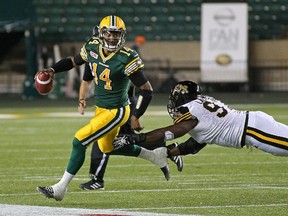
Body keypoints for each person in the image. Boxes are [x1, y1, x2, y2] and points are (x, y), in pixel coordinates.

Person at [36, 15, 170, 201]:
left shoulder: (127, 57)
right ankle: (154, 156)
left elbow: (146, 90)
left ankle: (60, 188)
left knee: (79, 141)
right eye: (108, 33)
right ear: (101, 33)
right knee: (107, 147)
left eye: (116, 34)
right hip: (101, 108)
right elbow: (73, 61)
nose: (112, 37)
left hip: (117, 111)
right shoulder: (92, 47)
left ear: (122, 35)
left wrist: (136, 115)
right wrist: (52, 70)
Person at [78, 31, 182, 190]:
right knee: (119, 141)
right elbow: (87, 79)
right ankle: (166, 150)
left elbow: (140, 84)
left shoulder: (122, 56)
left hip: (121, 106)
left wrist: (133, 110)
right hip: (114, 106)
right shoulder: (95, 56)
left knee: (113, 141)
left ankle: (98, 180)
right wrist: (82, 99)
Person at [114, 80, 288, 159]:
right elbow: (197, 142)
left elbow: (174, 131)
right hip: (254, 125)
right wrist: (169, 153)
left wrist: (137, 138)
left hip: (253, 130)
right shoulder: (200, 105)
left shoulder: (190, 110)